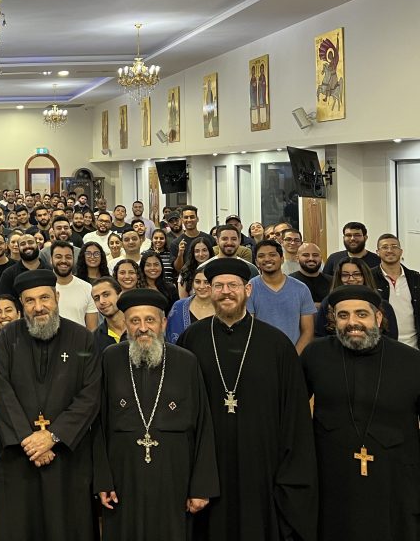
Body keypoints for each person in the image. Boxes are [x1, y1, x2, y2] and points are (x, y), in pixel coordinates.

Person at [178, 258, 317, 541]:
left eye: (233, 285)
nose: (226, 292)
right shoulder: (192, 339)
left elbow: (294, 412)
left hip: (263, 462)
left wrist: (288, 473)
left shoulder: (277, 344)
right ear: (209, 290)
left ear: (248, 290)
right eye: (218, 286)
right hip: (209, 462)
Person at [94, 288, 218, 540]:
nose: (142, 328)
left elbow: (203, 424)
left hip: (174, 476)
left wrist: (201, 486)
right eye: (134, 321)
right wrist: (102, 480)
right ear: (126, 324)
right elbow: (98, 424)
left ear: (163, 323)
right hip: (123, 476)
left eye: (149, 320)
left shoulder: (186, 361)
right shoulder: (110, 359)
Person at [301, 286, 420, 541]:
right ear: (334, 320)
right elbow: (295, 412)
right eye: (343, 315)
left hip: (394, 478)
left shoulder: (411, 361)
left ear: (378, 317)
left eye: (361, 314)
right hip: (332, 476)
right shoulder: (315, 355)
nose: (352, 322)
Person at [0, 268, 101, 541]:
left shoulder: (82, 338)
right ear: (22, 305)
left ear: (57, 296)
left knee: (67, 525)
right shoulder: (7, 338)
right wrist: (30, 441)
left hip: (66, 453)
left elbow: (90, 394)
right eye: (29, 301)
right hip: (20, 452)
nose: (38, 307)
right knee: (20, 525)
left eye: (44, 298)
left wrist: (52, 436)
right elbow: (1, 393)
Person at [247, 239, 314, 353]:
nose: (267, 259)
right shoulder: (250, 289)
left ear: (282, 259)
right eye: (261, 256)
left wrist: (293, 357)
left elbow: (308, 331)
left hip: (294, 356)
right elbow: (249, 329)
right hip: (261, 355)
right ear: (257, 262)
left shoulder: (301, 289)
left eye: (272, 255)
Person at [373, 232, 419, 349]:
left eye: (394, 247)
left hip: (414, 344)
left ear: (401, 251)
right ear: (377, 252)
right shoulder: (369, 277)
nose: (390, 250)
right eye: (384, 247)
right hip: (383, 344)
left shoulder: (415, 278)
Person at [48, 240, 98, 331]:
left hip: (80, 343)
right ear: (51, 260)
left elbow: (92, 329)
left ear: (73, 260)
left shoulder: (87, 288)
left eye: (68, 257)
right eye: (58, 257)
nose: (63, 261)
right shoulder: (43, 288)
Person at [166, 268, 215, 343]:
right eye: (197, 282)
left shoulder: (222, 307)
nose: (201, 286)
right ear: (192, 283)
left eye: (206, 282)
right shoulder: (178, 306)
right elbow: (170, 338)